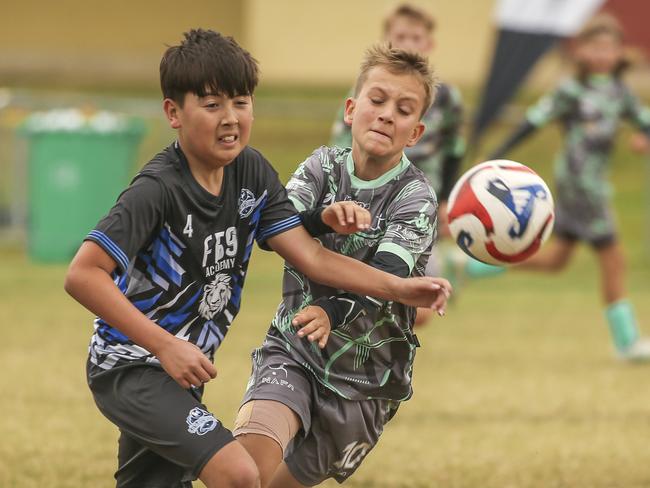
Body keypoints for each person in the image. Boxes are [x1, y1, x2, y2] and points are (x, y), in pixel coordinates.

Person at [63, 29, 450, 488]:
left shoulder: (251, 172)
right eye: (212, 106)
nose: (230, 118)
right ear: (174, 112)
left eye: (241, 102)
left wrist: (400, 288)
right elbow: (82, 274)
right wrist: (164, 346)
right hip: (137, 362)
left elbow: (310, 255)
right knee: (241, 473)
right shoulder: (158, 190)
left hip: (320, 377)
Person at [233, 43, 450, 488]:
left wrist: (331, 311)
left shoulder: (416, 198)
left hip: (365, 381)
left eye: (404, 109)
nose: (387, 114)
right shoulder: (321, 168)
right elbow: (275, 230)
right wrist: (319, 218)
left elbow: (386, 277)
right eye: (377, 100)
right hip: (294, 348)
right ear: (351, 109)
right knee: (243, 469)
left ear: (415, 133)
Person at [489, 14, 650, 361]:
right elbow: (533, 120)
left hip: (592, 185)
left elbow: (644, 122)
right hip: (580, 185)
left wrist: (642, 138)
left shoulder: (620, 91)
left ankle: (471, 263)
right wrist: (497, 154)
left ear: (619, 51)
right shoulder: (571, 91)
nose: (603, 53)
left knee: (555, 261)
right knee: (615, 259)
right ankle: (626, 342)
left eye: (609, 47)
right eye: (595, 46)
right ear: (582, 51)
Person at [331, 3, 464, 326]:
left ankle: (456, 268)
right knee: (376, 290)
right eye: (400, 36)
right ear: (388, 41)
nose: (408, 43)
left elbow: (454, 149)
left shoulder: (446, 98)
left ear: (428, 45)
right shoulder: (364, 91)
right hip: (367, 204)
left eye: (416, 37)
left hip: (417, 206)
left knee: (417, 310)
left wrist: (446, 198)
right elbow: (338, 147)